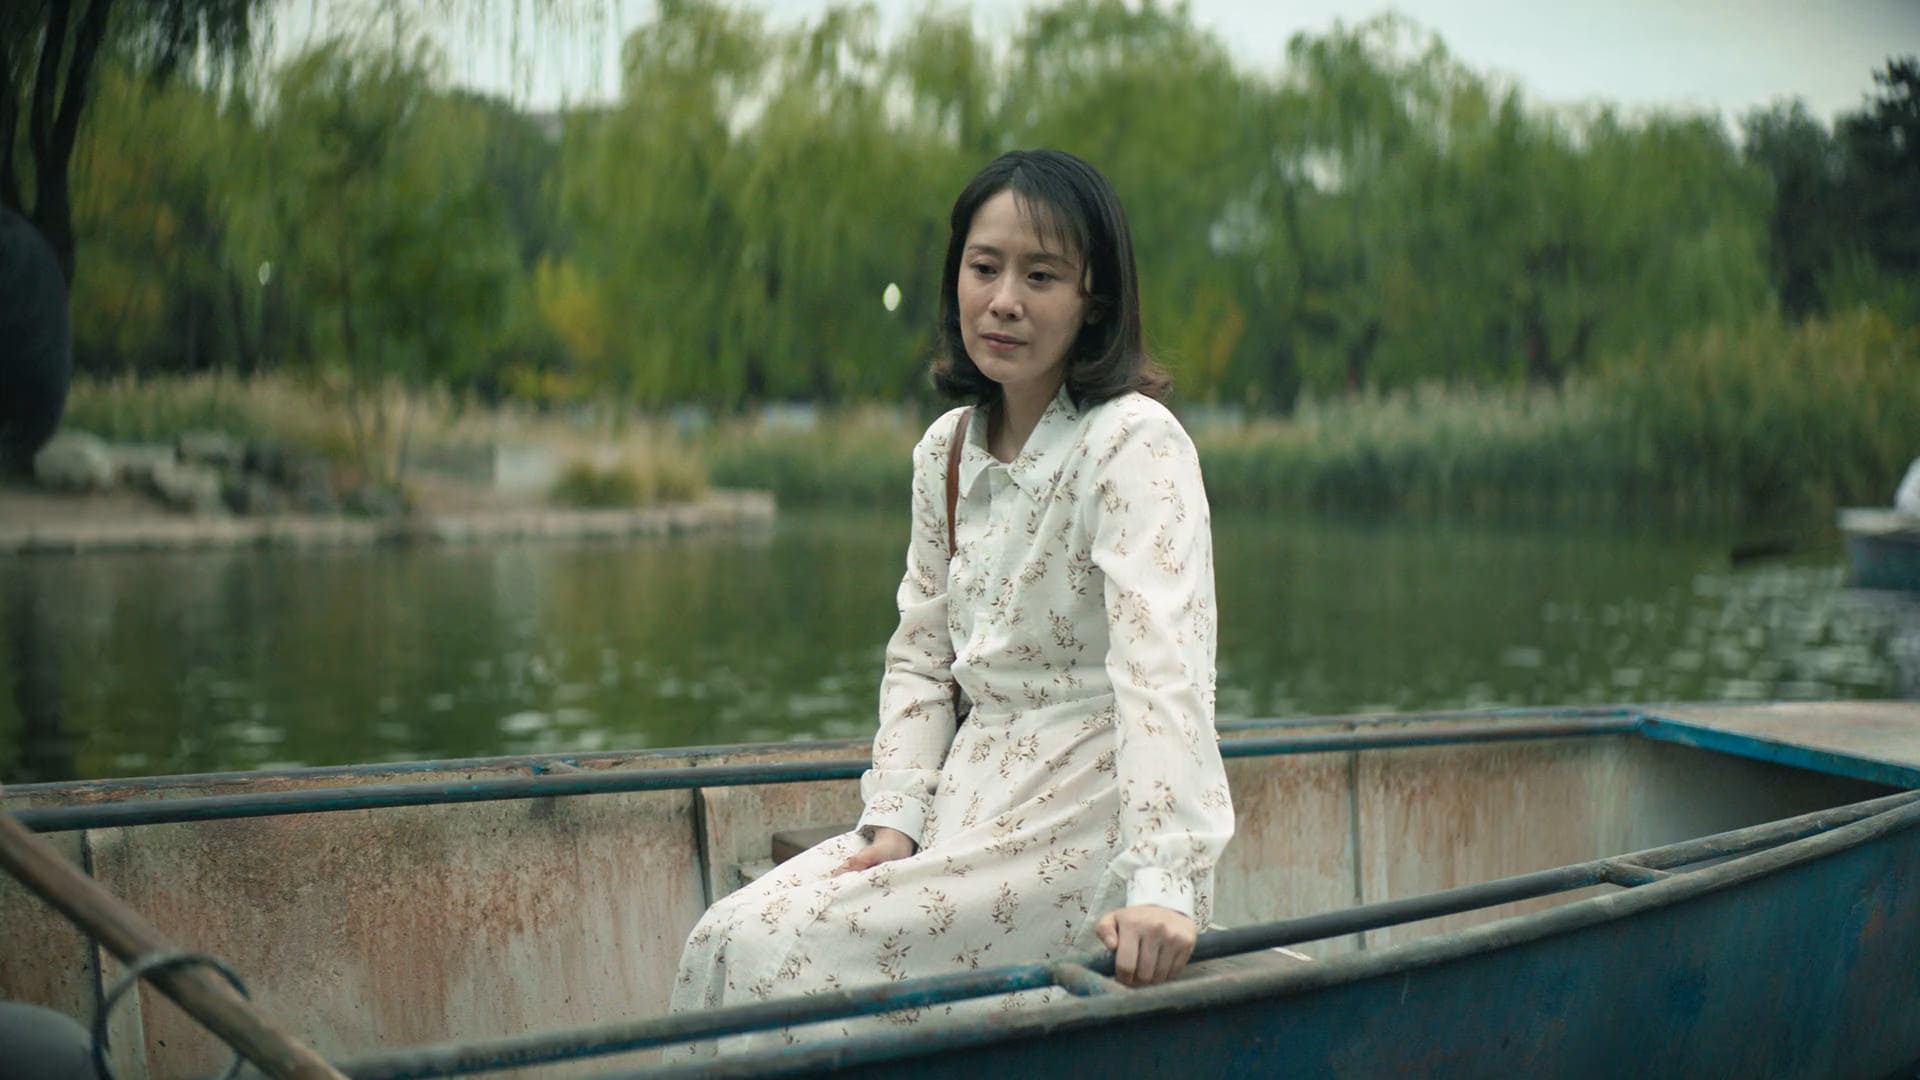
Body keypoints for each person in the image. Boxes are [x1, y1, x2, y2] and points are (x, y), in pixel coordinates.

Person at [669, 149, 1233, 1050]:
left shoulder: (1134, 443)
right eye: (984, 268)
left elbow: (1165, 670)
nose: (1004, 300)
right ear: (955, 279)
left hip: (1085, 819)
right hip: (965, 801)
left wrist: (1164, 881)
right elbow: (923, 658)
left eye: (1040, 276)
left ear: (1095, 300)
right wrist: (895, 816)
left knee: (781, 957)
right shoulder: (948, 450)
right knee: (723, 935)